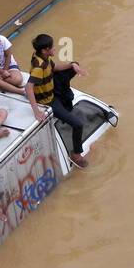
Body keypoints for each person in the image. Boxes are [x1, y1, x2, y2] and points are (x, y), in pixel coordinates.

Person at [26, 33, 89, 169]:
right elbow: (28, 87)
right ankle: (76, 154)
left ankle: (66, 99)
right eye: (52, 47)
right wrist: (36, 111)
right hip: (48, 101)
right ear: (44, 50)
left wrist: (72, 65)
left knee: (73, 65)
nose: (54, 49)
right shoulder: (38, 68)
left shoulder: (44, 57)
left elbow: (54, 68)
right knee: (78, 124)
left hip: (52, 90)